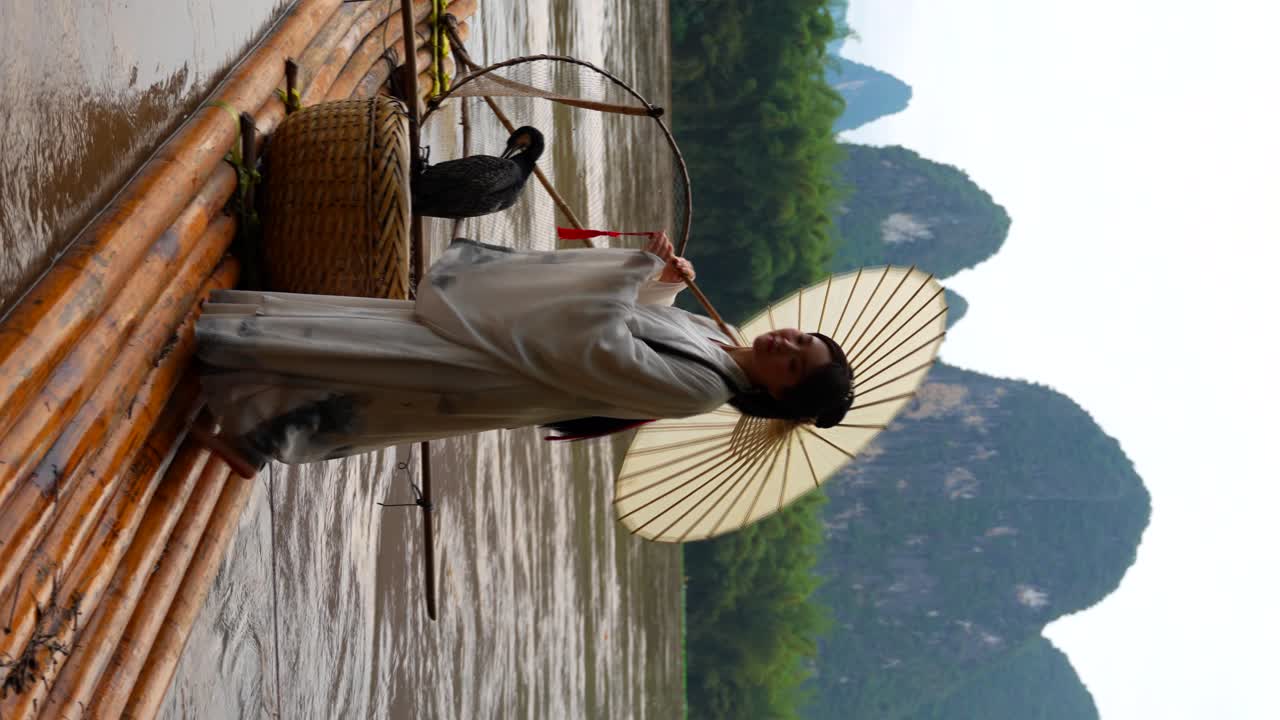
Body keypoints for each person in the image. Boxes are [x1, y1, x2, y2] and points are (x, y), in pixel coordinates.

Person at [192, 233, 853, 474]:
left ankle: (242, 407)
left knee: (372, 366)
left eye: (794, 364)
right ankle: (247, 412)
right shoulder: (721, 343)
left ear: (777, 394)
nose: (785, 345)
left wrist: (627, 274)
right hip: (518, 352)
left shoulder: (701, 392)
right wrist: (666, 285)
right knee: (370, 350)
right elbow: (650, 328)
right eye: (799, 338)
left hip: (508, 372)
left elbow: (602, 350)